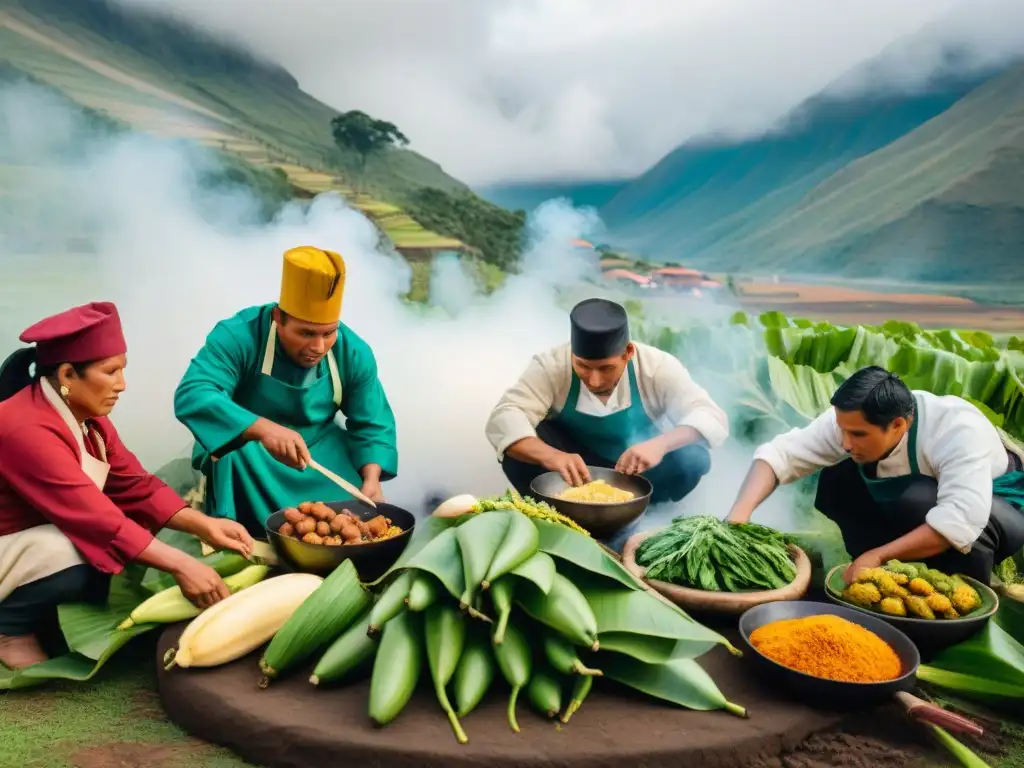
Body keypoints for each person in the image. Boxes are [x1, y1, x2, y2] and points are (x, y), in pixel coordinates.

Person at [0, 302, 254, 670]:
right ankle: (10, 631)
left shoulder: (88, 418)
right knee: (76, 550)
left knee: (112, 545)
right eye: (111, 372)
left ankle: (39, 619)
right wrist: (183, 565)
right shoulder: (24, 427)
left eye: (123, 370)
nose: (123, 384)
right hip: (12, 542)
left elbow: (136, 486)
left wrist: (205, 526)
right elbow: (94, 516)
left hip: (27, 539)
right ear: (69, 375)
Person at [174, 246, 398, 537]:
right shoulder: (238, 336)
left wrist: (372, 479)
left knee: (351, 498)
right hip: (250, 443)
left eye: (328, 333)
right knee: (229, 455)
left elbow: (373, 421)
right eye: (306, 333)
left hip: (318, 452)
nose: (318, 347)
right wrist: (263, 430)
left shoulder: (353, 352)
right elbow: (194, 393)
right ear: (279, 317)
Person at [727, 366, 1024, 584]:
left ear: (897, 425)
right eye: (842, 430)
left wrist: (879, 555)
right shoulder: (853, 420)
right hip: (925, 502)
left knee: (916, 500)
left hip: (999, 510)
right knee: (837, 479)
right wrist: (739, 516)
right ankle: (873, 567)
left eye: (857, 434)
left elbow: (959, 520)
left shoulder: (957, 429)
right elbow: (781, 455)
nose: (845, 442)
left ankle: (963, 589)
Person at [485, 298, 729, 546]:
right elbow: (506, 415)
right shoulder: (551, 365)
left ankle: (644, 519)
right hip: (568, 470)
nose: (595, 380)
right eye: (583, 366)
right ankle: (553, 518)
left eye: (606, 368)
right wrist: (552, 456)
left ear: (628, 353)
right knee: (518, 449)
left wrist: (660, 445)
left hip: (633, 471)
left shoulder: (658, 367)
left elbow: (710, 416)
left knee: (692, 455)